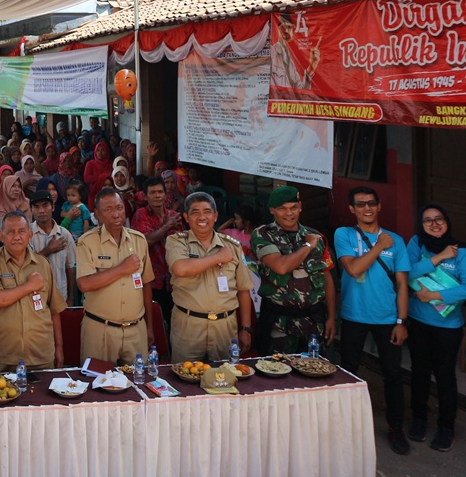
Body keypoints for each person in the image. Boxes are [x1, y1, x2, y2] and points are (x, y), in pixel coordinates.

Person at [336, 186, 412, 456]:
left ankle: (396, 428)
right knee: (348, 371)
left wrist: (401, 321)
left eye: (371, 203)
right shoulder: (344, 234)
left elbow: (402, 285)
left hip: (387, 318)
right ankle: (345, 426)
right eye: (360, 204)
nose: (366, 208)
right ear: (352, 209)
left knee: (393, 375)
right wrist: (379, 246)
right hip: (354, 315)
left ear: (379, 206)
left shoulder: (397, 241)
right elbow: (353, 268)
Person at [165, 192, 253, 362]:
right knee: (185, 375)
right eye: (195, 212)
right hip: (188, 326)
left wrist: (246, 328)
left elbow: (243, 289)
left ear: (215, 216)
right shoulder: (177, 241)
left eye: (207, 211)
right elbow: (181, 268)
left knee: (225, 375)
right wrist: (218, 257)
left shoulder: (232, 246)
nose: (202, 217)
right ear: (186, 217)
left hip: (225, 327)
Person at [406, 204, 465, 451]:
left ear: (447, 221)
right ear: (421, 225)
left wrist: (434, 295)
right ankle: (419, 419)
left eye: (439, 218)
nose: (434, 224)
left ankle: (446, 428)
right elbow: (407, 272)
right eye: (427, 220)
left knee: (444, 376)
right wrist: (439, 257)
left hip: (448, 327)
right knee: (419, 372)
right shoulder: (417, 244)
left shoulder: (461, 251)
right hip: (418, 321)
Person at [250, 186, 336, 356]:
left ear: (300, 207)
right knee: (276, 368)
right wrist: (308, 246)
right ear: (272, 210)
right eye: (282, 208)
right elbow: (281, 267)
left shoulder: (316, 237)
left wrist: (331, 318)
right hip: (279, 321)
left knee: (314, 368)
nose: (289, 213)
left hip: (313, 321)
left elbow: (326, 278)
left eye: (293, 207)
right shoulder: (263, 235)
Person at [0, 211, 66, 372]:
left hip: (41, 353)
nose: (16, 236)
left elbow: (54, 310)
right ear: (1, 236)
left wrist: (59, 347)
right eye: (10, 232)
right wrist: (30, 285)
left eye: (21, 231)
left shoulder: (42, 263)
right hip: (3, 355)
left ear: (30, 235)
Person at [75, 189, 154, 364]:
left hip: (136, 329)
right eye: (108, 209)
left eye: (119, 207)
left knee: (138, 379)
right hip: (100, 330)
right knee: (97, 379)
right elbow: (84, 284)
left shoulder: (139, 240)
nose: (116, 214)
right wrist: (122, 269)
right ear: (97, 214)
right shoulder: (87, 242)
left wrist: (149, 327)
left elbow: (146, 284)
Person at [130, 176, 184, 327]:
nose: (157, 196)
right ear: (145, 196)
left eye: (160, 192)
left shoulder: (174, 216)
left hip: (174, 280)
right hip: (152, 281)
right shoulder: (141, 214)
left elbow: (182, 244)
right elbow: (145, 241)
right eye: (153, 192)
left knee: (175, 324)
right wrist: (167, 226)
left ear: (165, 195)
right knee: (154, 324)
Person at [29, 190, 77, 305]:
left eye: (45, 205)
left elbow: (70, 268)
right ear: (31, 210)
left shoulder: (64, 234)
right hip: (35, 298)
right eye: (36, 207)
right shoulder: (27, 234)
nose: (41, 210)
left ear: (53, 207)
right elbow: (26, 266)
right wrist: (49, 250)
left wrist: (71, 298)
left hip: (61, 296)